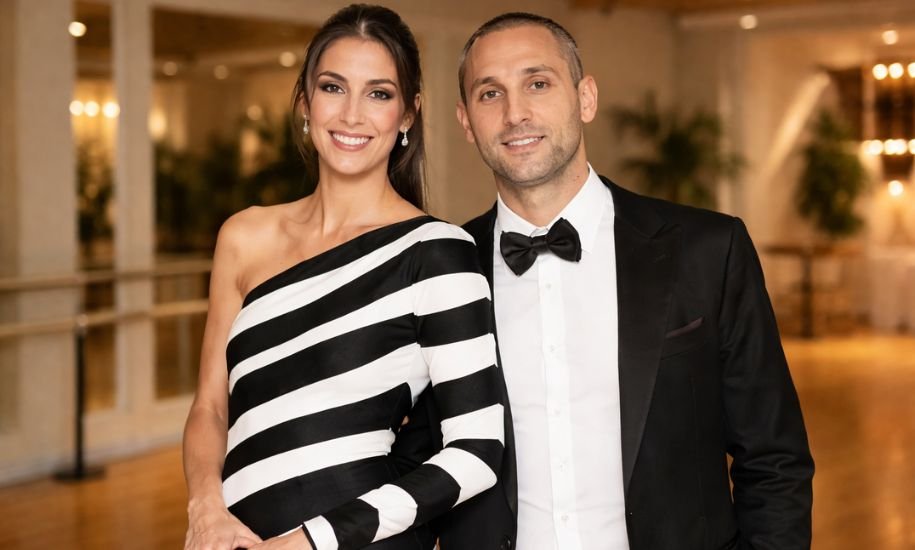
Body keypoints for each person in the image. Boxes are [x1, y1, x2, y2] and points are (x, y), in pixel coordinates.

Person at [393, 12, 814, 550]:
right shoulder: (439, 268)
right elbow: (411, 464)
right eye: (490, 93)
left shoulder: (709, 250)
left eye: (538, 83)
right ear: (466, 120)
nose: (515, 113)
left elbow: (774, 460)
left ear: (585, 98)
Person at [182, 5, 504, 550]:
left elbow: (477, 451)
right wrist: (206, 511)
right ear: (306, 103)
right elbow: (210, 408)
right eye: (334, 88)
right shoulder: (243, 237)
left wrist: (306, 541)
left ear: (408, 114)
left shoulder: (437, 252)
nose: (352, 114)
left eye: (378, 94)